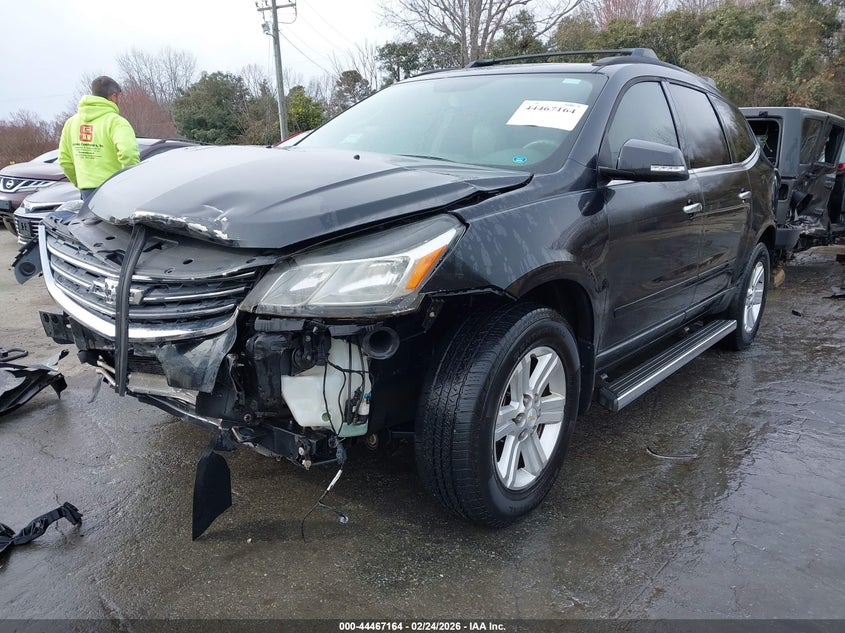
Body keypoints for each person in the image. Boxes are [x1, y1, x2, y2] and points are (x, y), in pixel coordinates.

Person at [58, 76, 140, 203]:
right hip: (115, 190)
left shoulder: (71, 123)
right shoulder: (116, 122)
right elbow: (128, 153)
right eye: (118, 97)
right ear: (113, 96)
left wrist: (81, 182)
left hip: (87, 192)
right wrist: (131, 182)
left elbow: (64, 160)